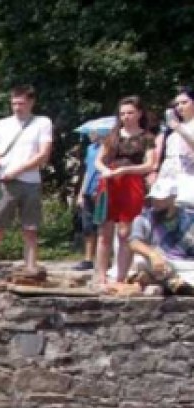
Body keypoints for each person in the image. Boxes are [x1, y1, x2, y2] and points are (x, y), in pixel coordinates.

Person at [0, 85, 54, 285]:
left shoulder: (42, 123)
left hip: (30, 181)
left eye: (21, 103)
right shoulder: (3, 124)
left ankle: (31, 269)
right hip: (7, 184)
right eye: (14, 103)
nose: (17, 107)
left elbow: (43, 155)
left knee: (30, 228)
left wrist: (17, 170)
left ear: (31, 102)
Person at [93, 96, 156, 287]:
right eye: (122, 113)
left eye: (130, 113)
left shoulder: (147, 138)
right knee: (104, 231)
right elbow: (98, 160)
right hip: (110, 183)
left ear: (139, 113)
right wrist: (104, 170)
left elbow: (149, 164)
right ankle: (100, 276)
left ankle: (120, 277)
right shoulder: (112, 136)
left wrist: (126, 170)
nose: (126, 117)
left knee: (125, 233)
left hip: (132, 183)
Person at [73, 130, 104, 271]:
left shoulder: (108, 147)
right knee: (88, 226)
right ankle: (88, 258)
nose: (90, 135)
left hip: (101, 188)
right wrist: (81, 192)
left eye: (93, 132)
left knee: (102, 225)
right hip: (88, 189)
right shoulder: (90, 148)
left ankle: (102, 258)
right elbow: (87, 171)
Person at [159, 87, 194, 200]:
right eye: (177, 104)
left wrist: (179, 129)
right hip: (169, 177)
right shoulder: (173, 127)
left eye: (184, 103)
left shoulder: (178, 127)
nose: (179, 107)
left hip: (189, 176)